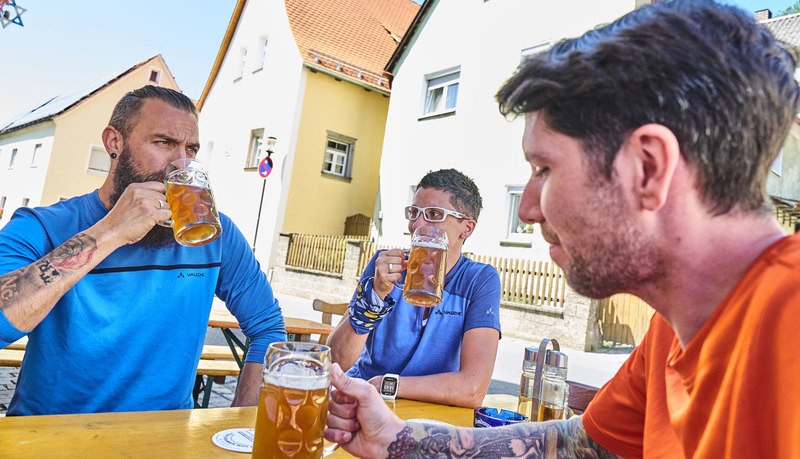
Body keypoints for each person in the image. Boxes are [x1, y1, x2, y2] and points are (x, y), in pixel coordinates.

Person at [323, 1, 800, 457]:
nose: (528, 209)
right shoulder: (672, 331)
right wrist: (398, 440)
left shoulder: (787, 321)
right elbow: (580, 445)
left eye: (544, 170)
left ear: (648, 168)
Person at [0, 86, 286, 416]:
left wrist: (238, 427)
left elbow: (267, 329)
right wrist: (110, 231)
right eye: (163, 142)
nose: (181, 161)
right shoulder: (43, 226)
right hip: (51, 437)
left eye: (190, 148)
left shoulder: (214, 235)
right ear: (114, 143)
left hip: (164, 440)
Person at [326, 169, 501, 408]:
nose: (416, 224)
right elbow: (336, 361)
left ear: (467, 228)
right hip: (362, 403)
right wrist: (375, 295)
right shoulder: (386, 267)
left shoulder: (479, 279)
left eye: (433, 214)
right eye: (414, 213)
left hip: (426, 414)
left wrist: (389, 385)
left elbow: (472, 389)